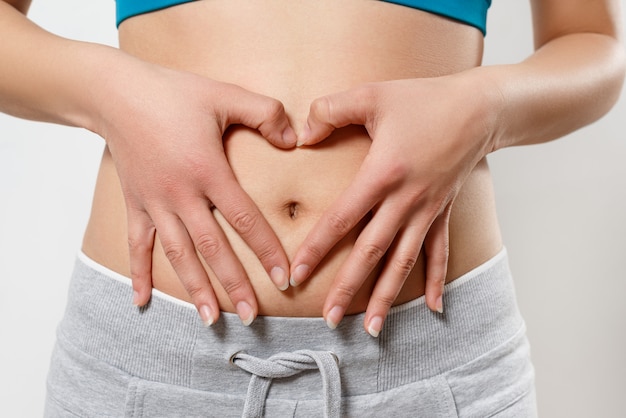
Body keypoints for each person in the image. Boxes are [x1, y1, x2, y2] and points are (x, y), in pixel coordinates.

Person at [1, 0, 624, 416]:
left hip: (431, 361)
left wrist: (485, 108)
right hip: (151, 360)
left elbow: (593, 44)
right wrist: (111, 91)